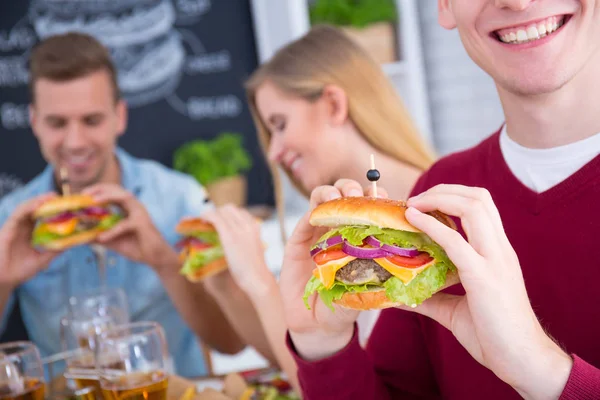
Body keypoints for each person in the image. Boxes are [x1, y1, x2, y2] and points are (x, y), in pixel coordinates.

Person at [277, 0, 600, 399]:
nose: (517, 1)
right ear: (445, 6)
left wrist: (543, 372)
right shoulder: (440, 193)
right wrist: (322, 346)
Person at [200, 24, 436, 391]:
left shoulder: (432, 221)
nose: (274, 152)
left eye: (279, 124)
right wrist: (224, 285)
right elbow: (301, 357)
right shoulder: (340, 228)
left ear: (333, 104)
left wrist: (260, 281)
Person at [0, 32, 244, 378]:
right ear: (34, 121)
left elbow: (231, 344)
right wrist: (3, 279)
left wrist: (164, 261)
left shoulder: (180, 199)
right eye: (57, 123)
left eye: (92, 120)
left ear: (120, 116)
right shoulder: (11, 218)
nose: (75, 142)